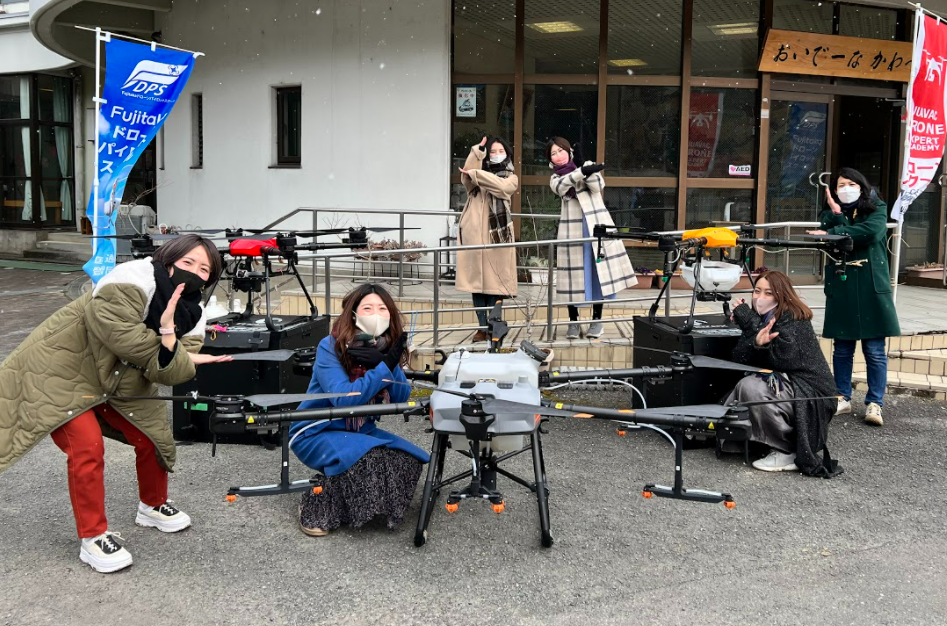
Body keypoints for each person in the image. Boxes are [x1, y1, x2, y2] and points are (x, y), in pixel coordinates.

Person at [0, 235, 230, 573]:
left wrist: (170, 339)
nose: (194, 272)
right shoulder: (130, 279)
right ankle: (92, 538)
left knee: (153, 436)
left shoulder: (193, 313)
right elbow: (125, 339)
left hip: (116, 380)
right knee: (87, 446)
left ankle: (152, 506)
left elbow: (170, 373)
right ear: (168, 259)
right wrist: (169, 343)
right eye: (187, 262)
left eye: (204, 269)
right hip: (61, 371)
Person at [290, 284, 429, 536]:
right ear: (353, 314)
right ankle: (317, 502)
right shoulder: (330, 346)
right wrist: (383, 368)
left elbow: (401, 397)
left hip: (360, 431)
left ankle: (345, 495)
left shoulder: (384, 347)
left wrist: (387, 363)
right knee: (366, 461)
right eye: (367, 308)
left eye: (382, 308)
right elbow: (345, 400)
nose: (376, 314)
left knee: (408, 460)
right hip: (316, 430)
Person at [725, 271, 842, 477]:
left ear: (782, 295)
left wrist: (751, 322)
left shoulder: (793, 317)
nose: (760, 297)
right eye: (757, 291)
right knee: (744, 387)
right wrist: (755, 338)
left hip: (812, 393)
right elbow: (739, 358)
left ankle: (788, 450)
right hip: (790, 386)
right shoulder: (762, 318)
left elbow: (785, 359)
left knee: (752, 387)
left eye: (768, 293)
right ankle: (738, 436)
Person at [807, 167, 899, 426]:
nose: (846, 189)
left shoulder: (876, 207)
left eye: (851, 184)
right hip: (843, 282)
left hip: (871, 283)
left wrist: (840, 230)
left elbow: (872, 232)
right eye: (840, 185)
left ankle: (875, 402)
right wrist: (837, 214)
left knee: (875, 349)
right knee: (842, 348)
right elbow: (830, 239)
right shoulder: (830, 212)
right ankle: (842, 397)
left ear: (861, 185)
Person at [546, 137, 636, 339]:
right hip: (572, 231)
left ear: (569, 151)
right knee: (572, 278)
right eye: (553, 153)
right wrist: (580, 171)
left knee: (598, 274)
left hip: (596, 227)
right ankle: (573, 321)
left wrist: (584, 168)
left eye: (561, 150)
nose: (558, 155)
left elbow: (597, 185)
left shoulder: (587, 165)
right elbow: (561, 187)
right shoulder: (555, 177)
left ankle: (597, 320)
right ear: (550, 160)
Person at [456, 136, 519, 342]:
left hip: (497, 238)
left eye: (500, 151)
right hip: (474, 235)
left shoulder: (511, 177)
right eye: (492, 151)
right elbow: (466, 174)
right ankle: (482, 327)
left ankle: (494, 326)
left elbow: (502, 188)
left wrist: (477, 174)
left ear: (507, 154)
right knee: (477, 285)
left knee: (495, 284)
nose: (496, 154)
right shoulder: (476, 177)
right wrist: (477, 152)